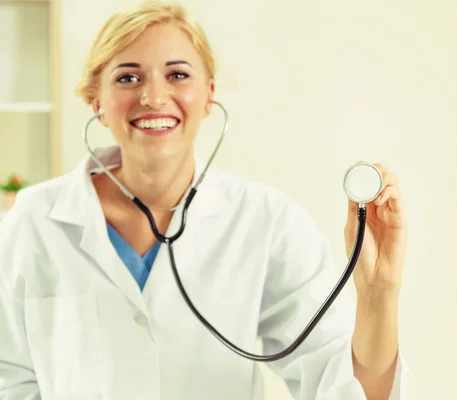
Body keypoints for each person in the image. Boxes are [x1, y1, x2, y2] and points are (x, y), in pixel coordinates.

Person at [0, 1, 413, 399]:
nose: (154, 97)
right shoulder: (34, 221)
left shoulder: (267, 222)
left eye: (177, 75)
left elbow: (343, 389)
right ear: (98, 102)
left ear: (209, 94)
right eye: (128, 78)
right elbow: (8, 378)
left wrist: (378, 296)